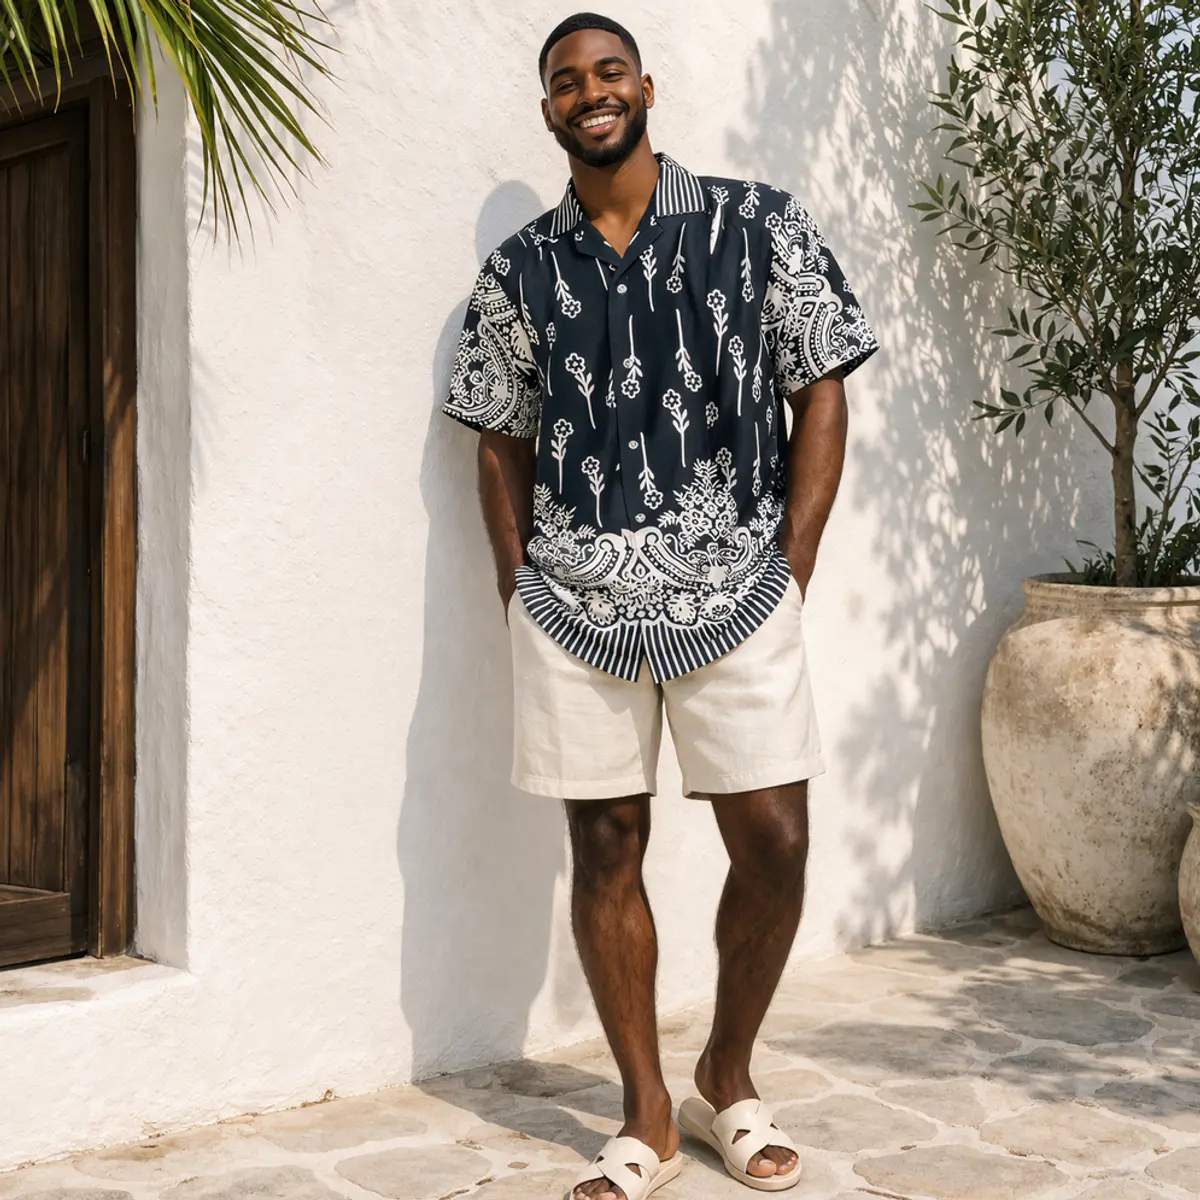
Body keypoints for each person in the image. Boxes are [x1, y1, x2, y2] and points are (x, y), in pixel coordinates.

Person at [443, 13, 878, 1200]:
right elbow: (498, 437)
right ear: (548, 111)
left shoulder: (758, 224)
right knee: (605, 844)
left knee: (776, 839)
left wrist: (791, 564)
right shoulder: (523, 269)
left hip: (739, 588)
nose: (591, 93)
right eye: (566, 82)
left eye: (609, 72)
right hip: (576, 603)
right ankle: (648, 1113)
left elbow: (821, 386)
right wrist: (517, 581)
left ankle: (726, 1072)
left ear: (645, 87)